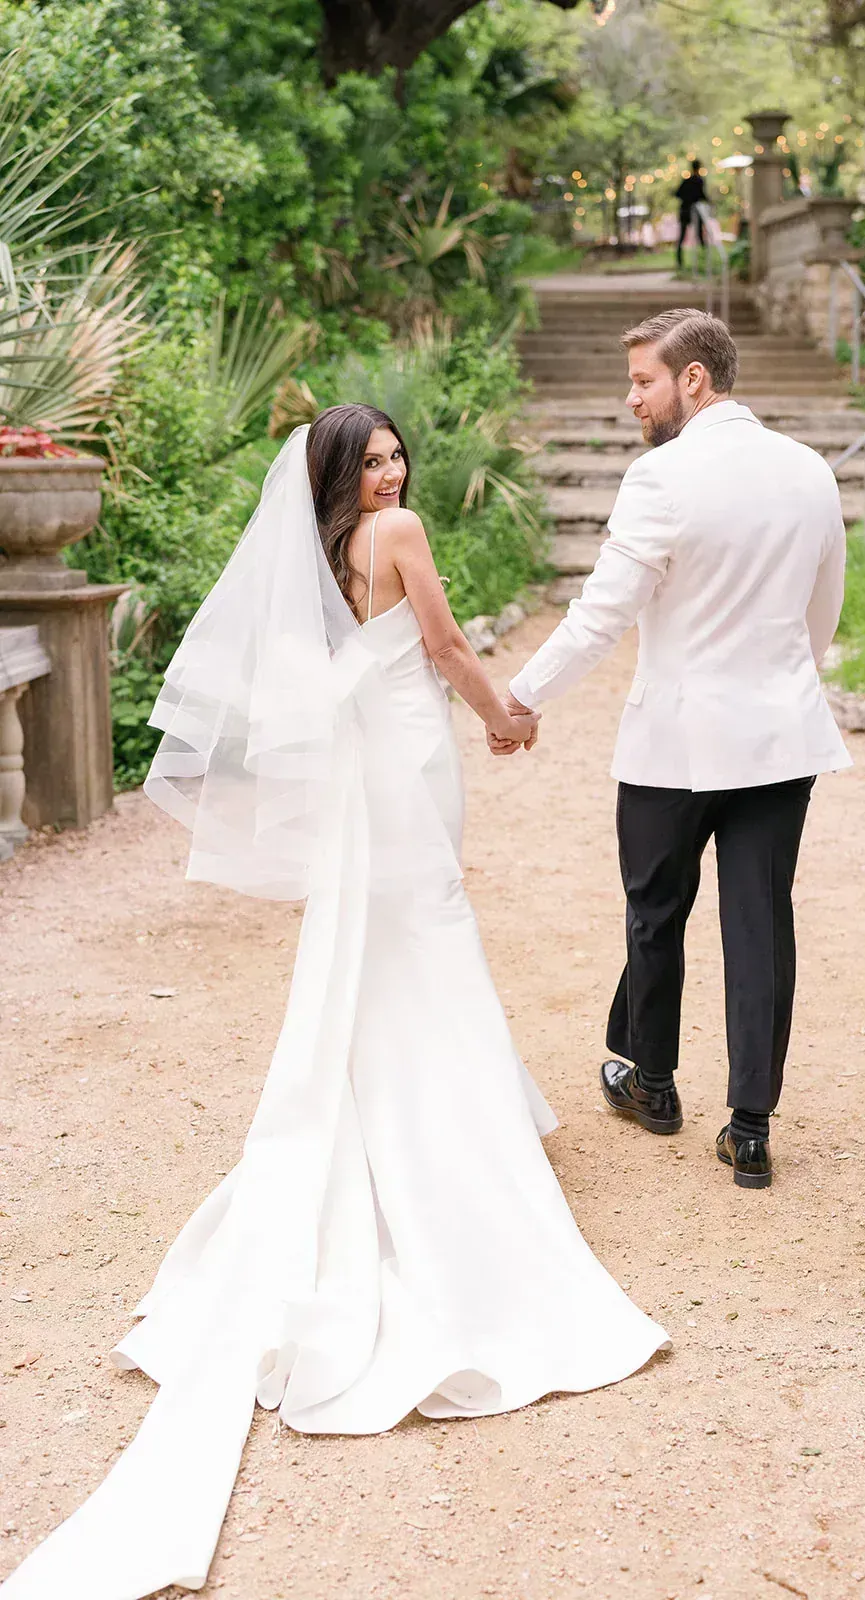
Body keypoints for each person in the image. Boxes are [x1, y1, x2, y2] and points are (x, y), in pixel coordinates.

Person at [0, 407, 668, 1600]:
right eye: (368, 459)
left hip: (377, 754)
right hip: (410, 753)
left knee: (396, 942)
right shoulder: (400, 530)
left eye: (395, 453)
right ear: (340, 474)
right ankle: (448, 1134)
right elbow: (449, 643)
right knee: (430, 932)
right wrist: (504, 714)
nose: (391, 471)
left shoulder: (315, 549)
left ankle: (409, 1102)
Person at [499, 310, 851, 1190]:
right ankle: (751, 1128)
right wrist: (783, 683)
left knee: (656, 910)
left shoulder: (659, 476)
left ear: (693, 380)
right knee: (760, 922)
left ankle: (651, 1087)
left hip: (675, 742)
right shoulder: (809, 471)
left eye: (643, 382)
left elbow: (602, 613)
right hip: (779, 735)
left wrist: (520, 695)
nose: (631, 399)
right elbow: (824, 604)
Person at [674, 158, 708, 269]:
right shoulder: (699, 181)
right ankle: (704, 260)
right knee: (699, 236)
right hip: (693, 211)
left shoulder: (686, 181)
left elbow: (677, 193)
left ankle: (681, 262)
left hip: (685, 211)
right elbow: (702, 195)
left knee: (682, 237)